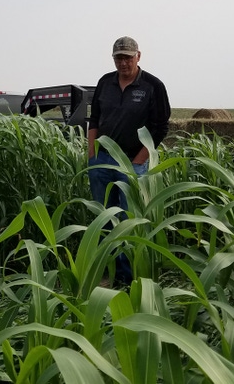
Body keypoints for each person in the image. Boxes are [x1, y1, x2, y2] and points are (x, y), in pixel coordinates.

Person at [87, 36, 170, 284]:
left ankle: (127, 278)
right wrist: (91, 156)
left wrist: (137, 161)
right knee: (103, 217)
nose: (123, 63)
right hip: (101, 161)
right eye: (118, 58)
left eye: (127, 57)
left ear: (138, 56)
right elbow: (95, 120)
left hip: (131, 163)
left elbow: (160, 127)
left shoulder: (153, 86)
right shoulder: (105, 83)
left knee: (128, 219)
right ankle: (106, 270)